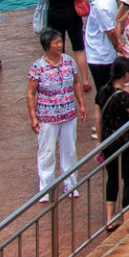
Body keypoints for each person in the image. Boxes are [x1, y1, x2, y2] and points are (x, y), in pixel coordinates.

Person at [27, 27, 84, 198]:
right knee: (47, 151)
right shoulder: (38, 67)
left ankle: (71, 184)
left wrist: (81, 104)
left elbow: (76, 83)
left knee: (69, 150)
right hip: (47, 117)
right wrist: (33, 117)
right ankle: (46, 188)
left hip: (68, 114)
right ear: (47, 45)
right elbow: (31, 93)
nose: (59, 45)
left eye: (60, 42)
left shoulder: (68, 61)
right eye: (56, 43)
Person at [97, 55, 129, 230]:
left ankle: (110, 218)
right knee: (128, 178)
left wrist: (100, 142)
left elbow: (98, 118)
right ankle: (127, 217)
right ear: (125, 74)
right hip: (123, 141)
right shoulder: (123, 97)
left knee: (112, 178)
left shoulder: (103, 91)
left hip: (108, 142)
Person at [41, 0, 91, 94]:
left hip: (54, 13)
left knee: (57, 48)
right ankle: (86, 81)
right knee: (79, 48)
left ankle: (59, 79)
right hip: (72, 14)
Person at [83, 0, 118, 96]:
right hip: (101, 54)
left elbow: (110, 31)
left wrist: (117, 46)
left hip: (100, 56)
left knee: (104, 90)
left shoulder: (100, 6)